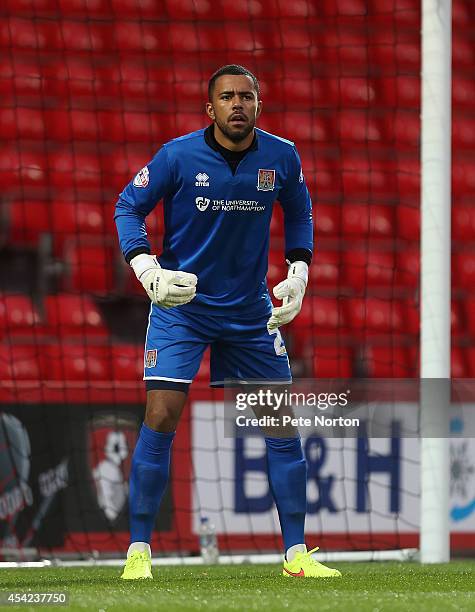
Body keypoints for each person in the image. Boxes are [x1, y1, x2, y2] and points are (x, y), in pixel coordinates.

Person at [115, 64, 341, 580]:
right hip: (182, 311)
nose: (237, 104)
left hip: (249, 312)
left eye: (246, 96)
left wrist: (299, 271)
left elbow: (300, 212)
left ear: (259, 105)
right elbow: (128, 206)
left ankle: (297, 556)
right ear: (209, 108)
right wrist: (146, 268)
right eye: (226, 97)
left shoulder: (281, 156)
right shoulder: (176, 156)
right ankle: (139, 552)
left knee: (281, 426)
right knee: (161, 417)